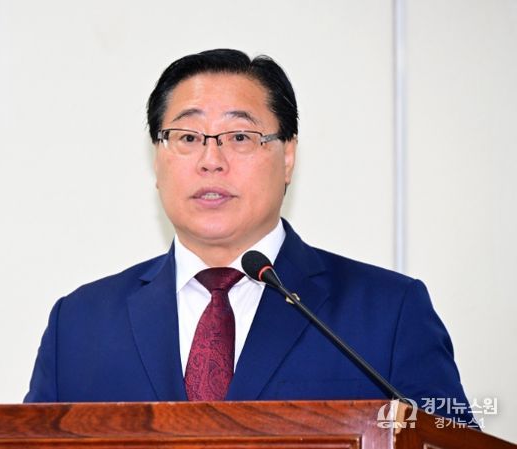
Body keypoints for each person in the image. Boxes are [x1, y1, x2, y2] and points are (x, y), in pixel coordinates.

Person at [24, 49, 474, 425]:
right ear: (157, 161)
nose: (211, 160)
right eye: (187, 137)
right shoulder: (79, 324)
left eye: (240, 136)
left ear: (288, 157)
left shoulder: (389, 312)